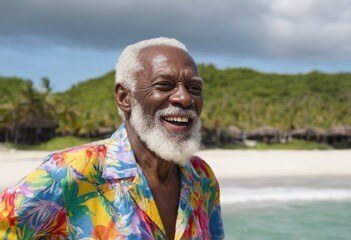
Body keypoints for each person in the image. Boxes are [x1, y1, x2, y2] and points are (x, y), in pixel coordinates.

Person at [0, 37, 224, 239]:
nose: (184, 98)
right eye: (164, 85)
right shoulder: (71, 171)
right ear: (124, 97)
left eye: (194, 88)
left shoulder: (202, 177)